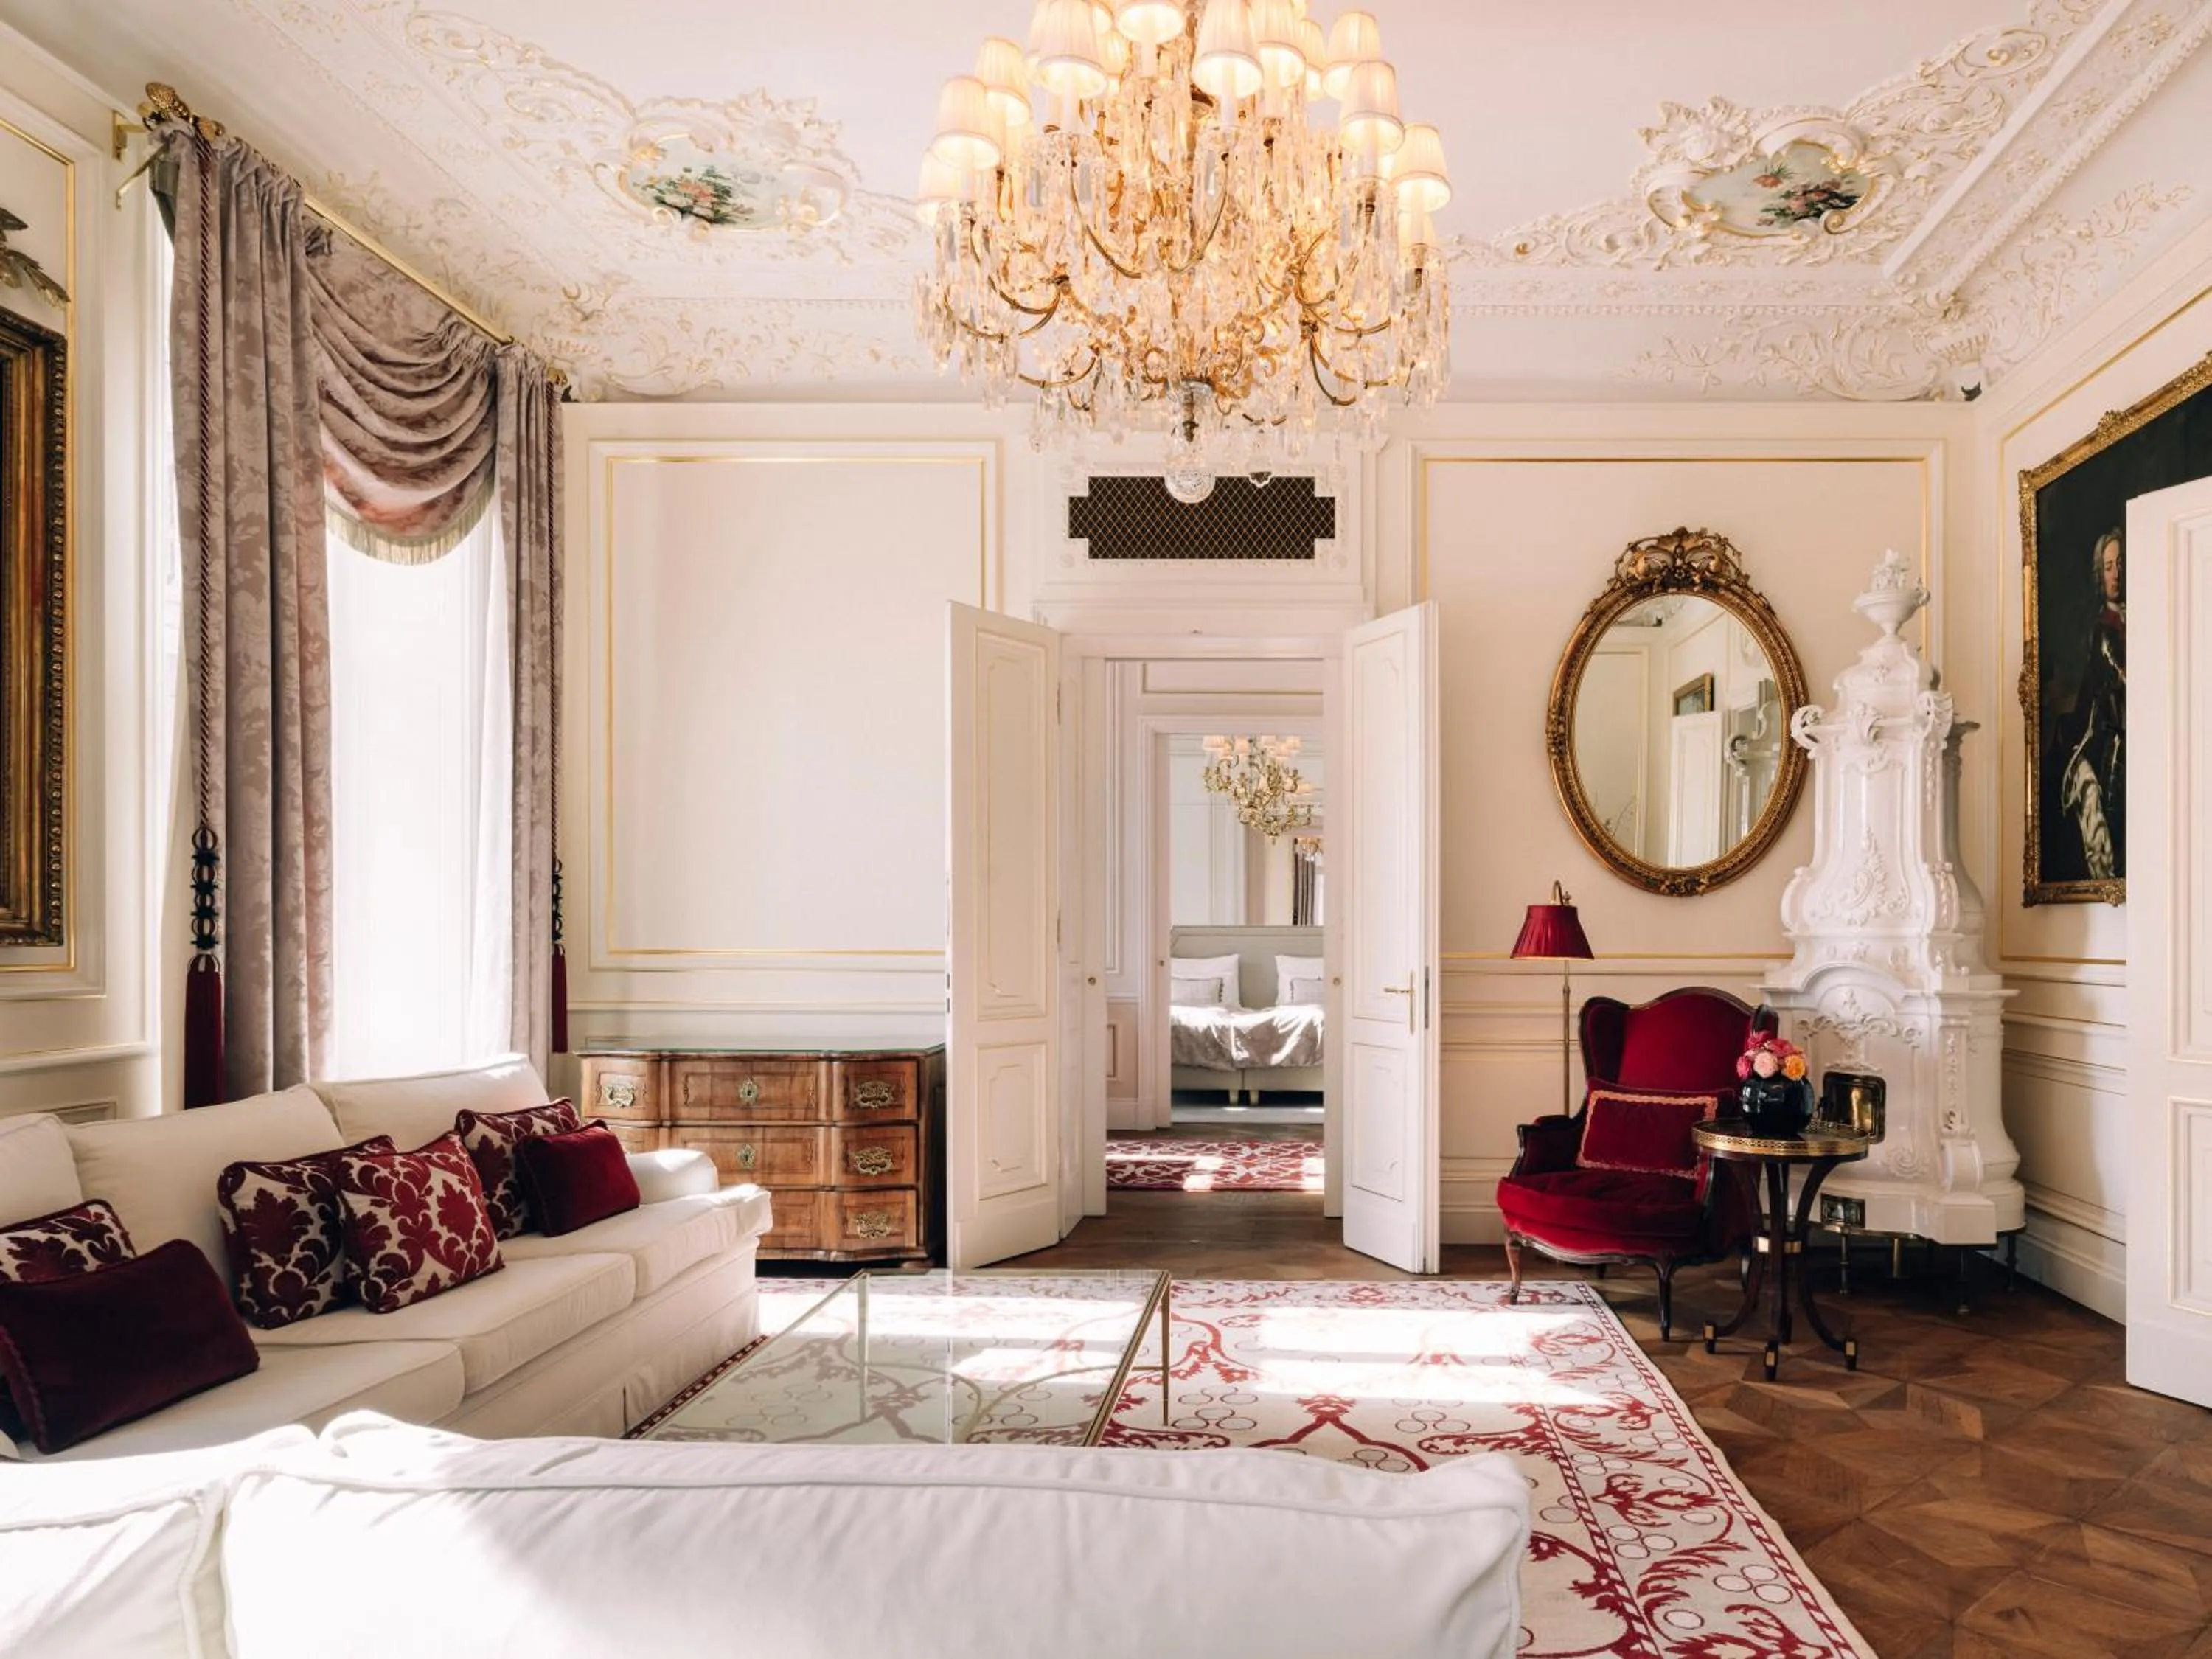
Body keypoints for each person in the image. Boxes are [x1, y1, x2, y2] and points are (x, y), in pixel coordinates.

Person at [2058, 529, 2125, 881]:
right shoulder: (2102, 630)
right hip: (2116, 744)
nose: (2116, 574)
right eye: (2109, 566)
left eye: (2121, 564)